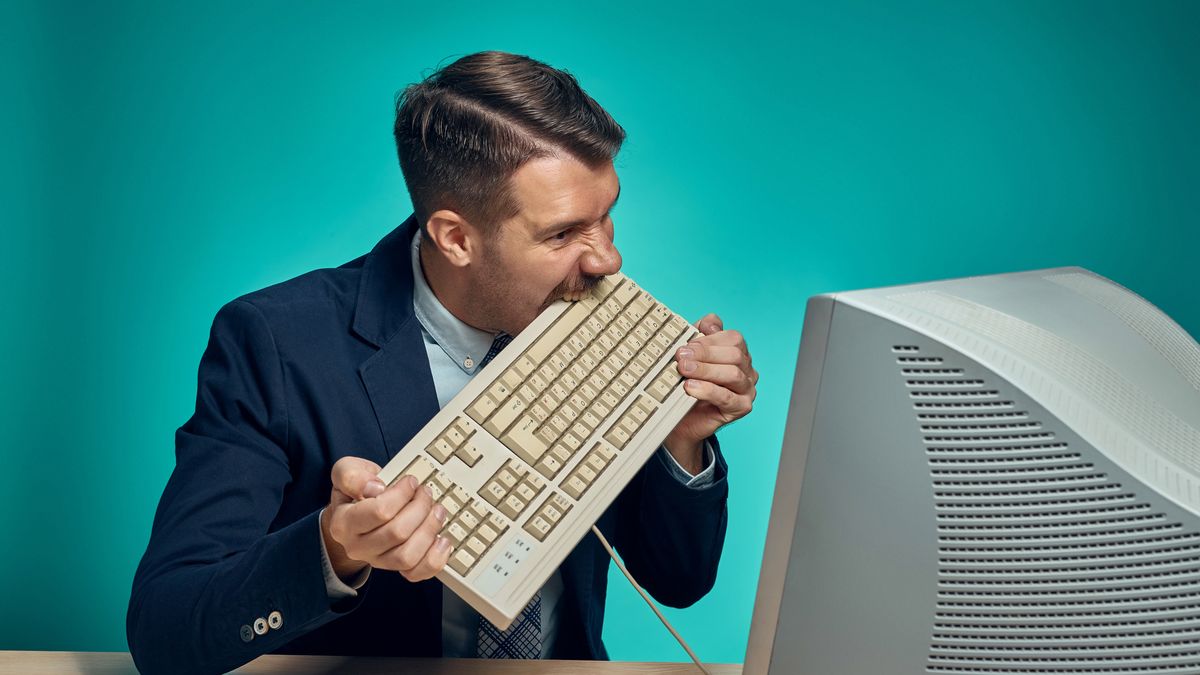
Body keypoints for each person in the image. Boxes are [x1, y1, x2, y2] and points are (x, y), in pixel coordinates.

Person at [127, 51, 758, 674]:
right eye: (563, 234)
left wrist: (680, 437)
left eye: (608, 214)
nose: (607, 260)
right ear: (455, 238)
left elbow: (677, 583)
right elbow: (165, 630)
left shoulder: (587, 303)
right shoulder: (276, 343)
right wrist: (334, 548)